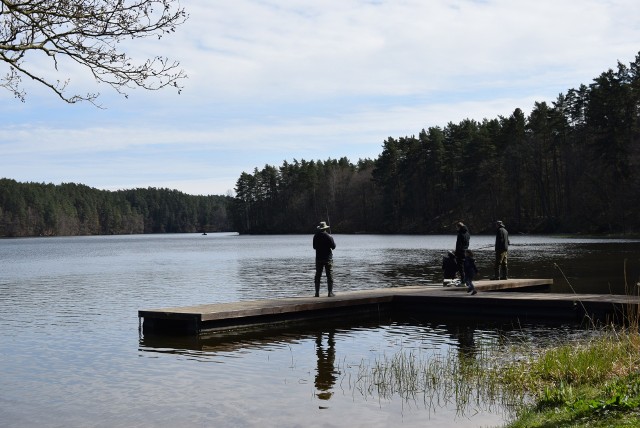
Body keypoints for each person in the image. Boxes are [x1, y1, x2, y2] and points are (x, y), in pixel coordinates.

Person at [313, 221, 336, 297]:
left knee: (318, 275)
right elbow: (333, 247)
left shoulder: (315, 236)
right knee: (329, 275)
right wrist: (331, 239)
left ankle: (317, 293)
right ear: (325, 228)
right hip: (328, 259)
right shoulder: (329, 236)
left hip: (319, 258)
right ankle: (330, 293)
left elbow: (314, 247)